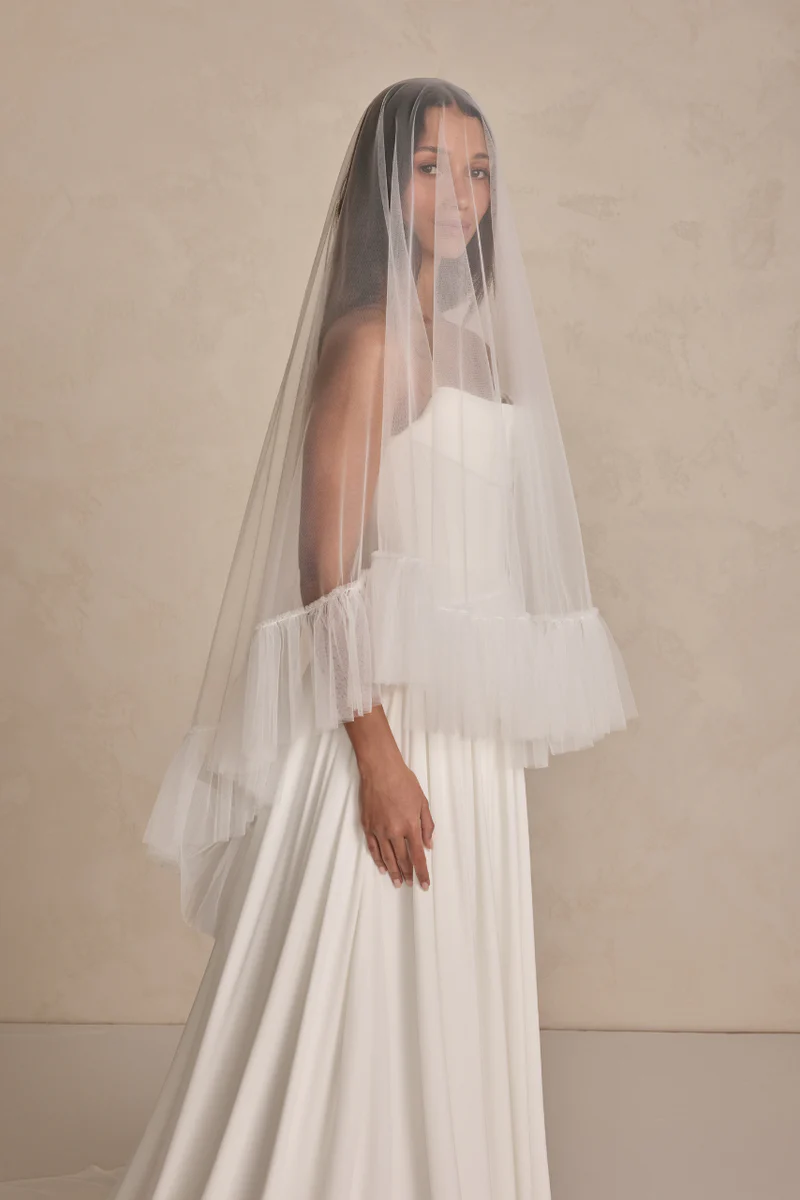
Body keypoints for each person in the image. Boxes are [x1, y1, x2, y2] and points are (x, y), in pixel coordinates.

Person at [6, 77, 638, 1199]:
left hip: (471, 730)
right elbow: (326, 569)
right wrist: (376, 757)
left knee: (451, 970)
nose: (461, 193)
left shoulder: (476, 353)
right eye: (431, 167)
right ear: (384, 187)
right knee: (359, 967)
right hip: (384, 721)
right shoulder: (368, 345)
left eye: (479, 170)